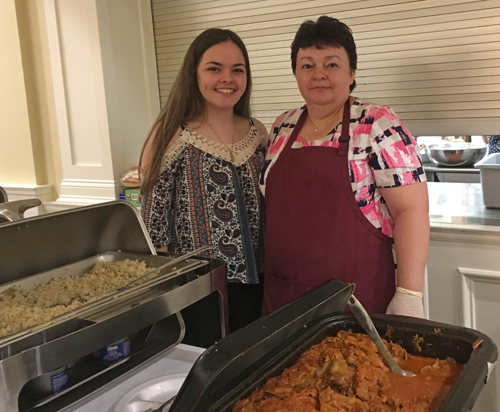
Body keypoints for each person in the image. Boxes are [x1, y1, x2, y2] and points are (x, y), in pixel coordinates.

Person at [260, 16, 429, 317]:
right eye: (307, 65)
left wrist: (409, 293)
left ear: (352, 73)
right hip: (284, 298)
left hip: (358, 299)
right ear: (296, 73)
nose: (319, 74)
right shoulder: (281, 126)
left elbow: (411, 210)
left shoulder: (378, 124)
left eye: (332, 64)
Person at [140, 28, 267, 333]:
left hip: (260, 283)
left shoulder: (258, 132)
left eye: (238, 70)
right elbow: (154, 224)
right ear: (194, 75)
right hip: (199, 289)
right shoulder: (171, 133)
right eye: (214, 69)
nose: (228, 78)